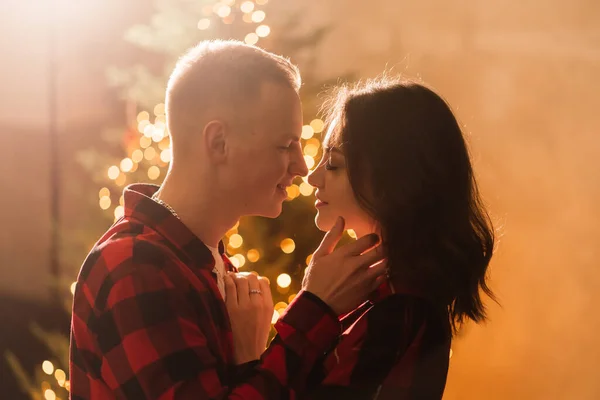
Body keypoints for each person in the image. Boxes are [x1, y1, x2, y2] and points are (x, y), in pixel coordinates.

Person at [69, 40, 386, 399]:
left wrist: (250, 361)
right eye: (285, 145)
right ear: (219, 142)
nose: (301, 167)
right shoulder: (134, 266)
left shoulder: (209, 265)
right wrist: (315, 308)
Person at [300, 77, 495, 398]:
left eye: (333, 165)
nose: (313, 176)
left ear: (393, 180)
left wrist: (306, 313)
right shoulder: (371, 298)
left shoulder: (400, 313)